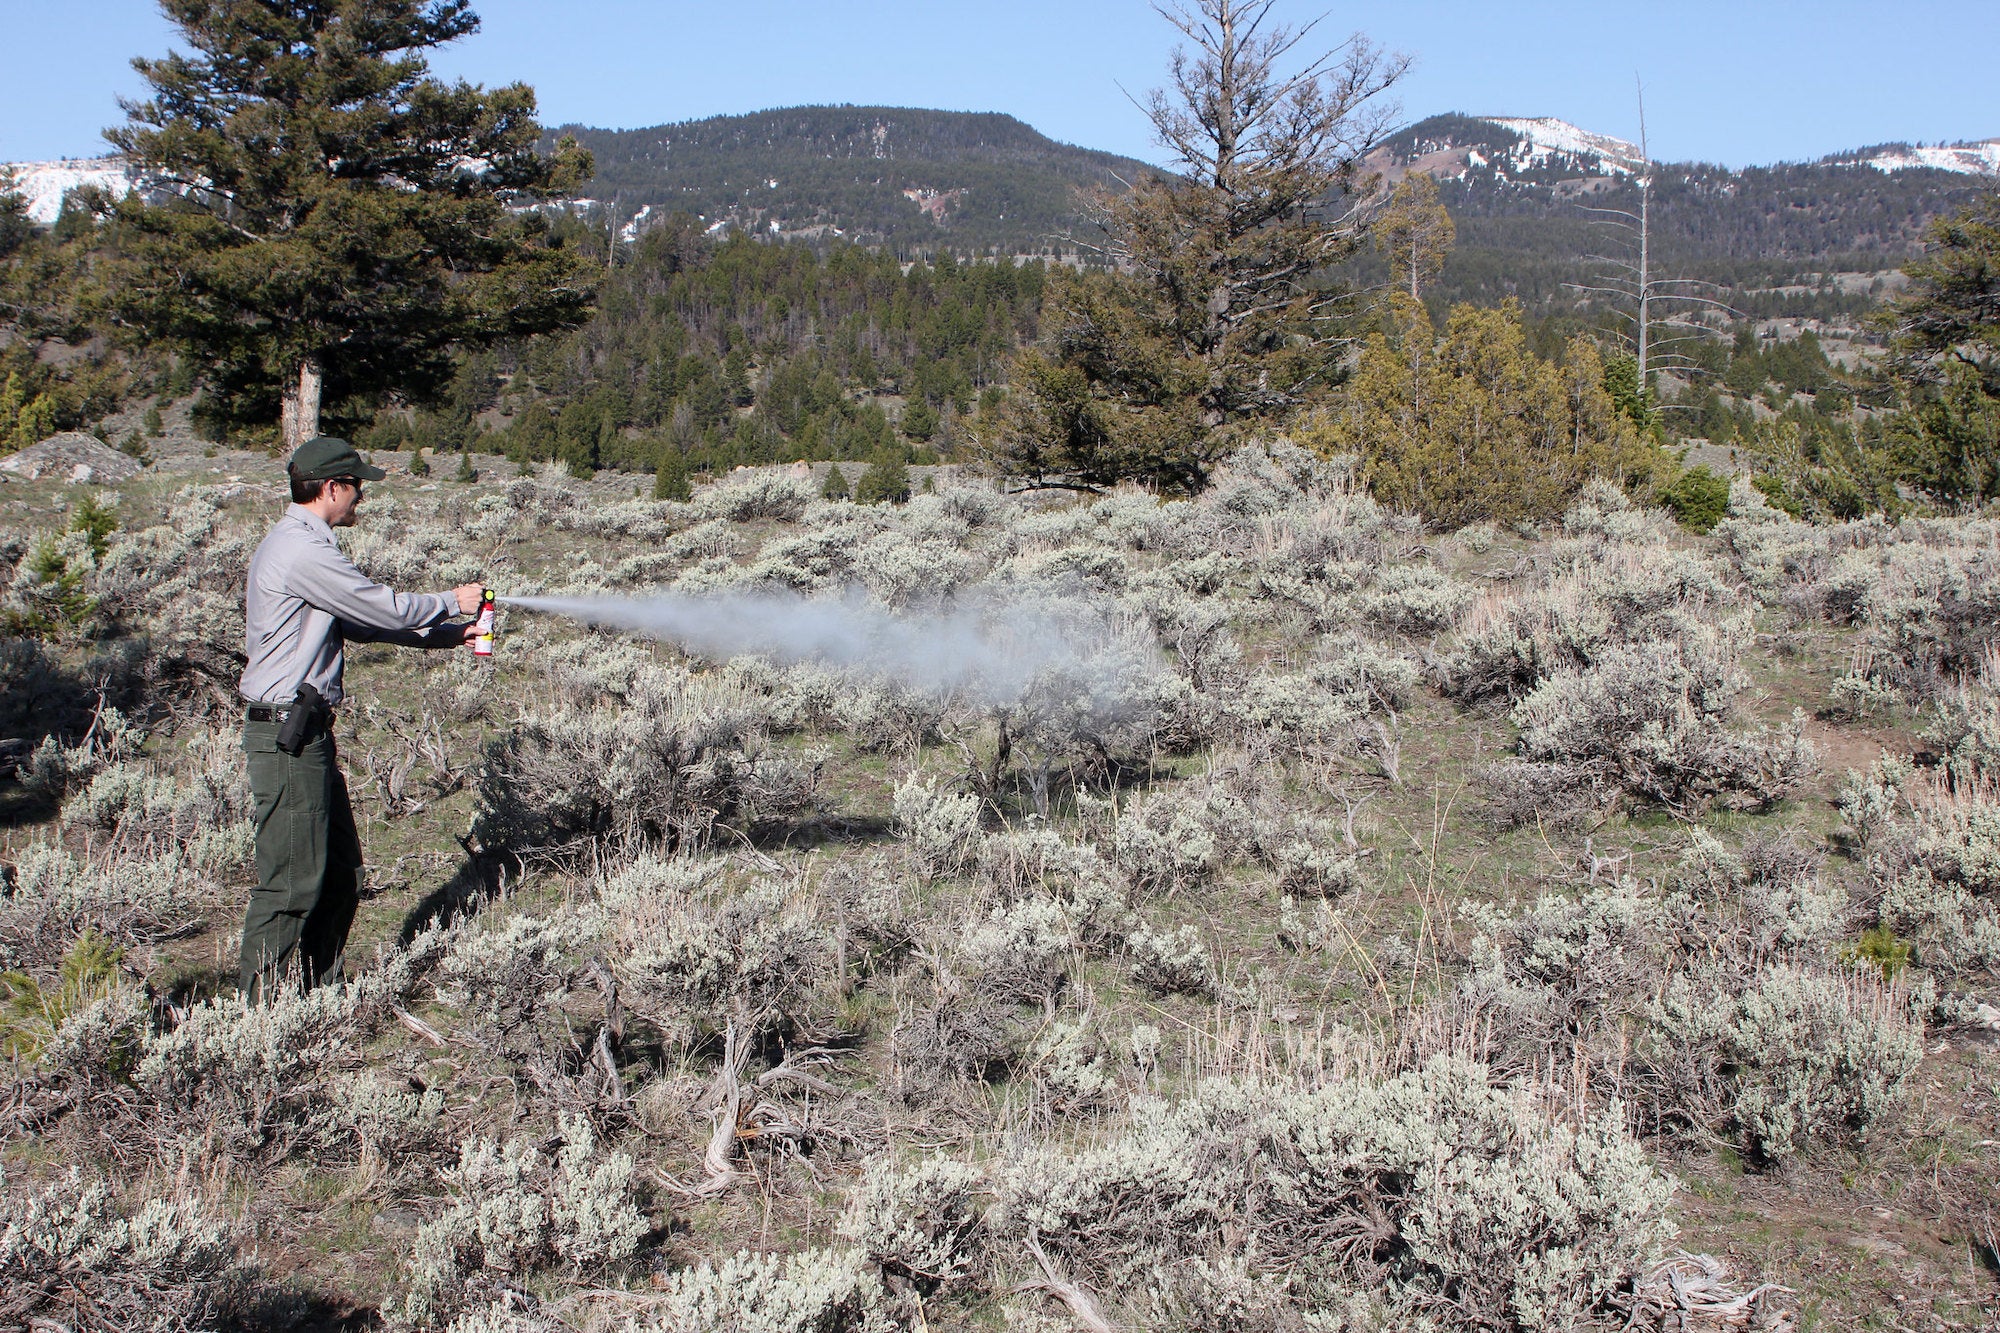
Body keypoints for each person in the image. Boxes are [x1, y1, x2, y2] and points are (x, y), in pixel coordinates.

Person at [238, 436, 483, 1000]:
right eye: (357, 487)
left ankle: (315, 995)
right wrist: (452, 600)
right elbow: (380, 606)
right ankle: (258, 1020)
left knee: (341, 873)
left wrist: (447, 636)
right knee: (291, 885)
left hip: (306, 732)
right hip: (288, 734)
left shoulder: (305, 547)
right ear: (331, 488)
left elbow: (357, 622)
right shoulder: (302, 550)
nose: (361, 498)